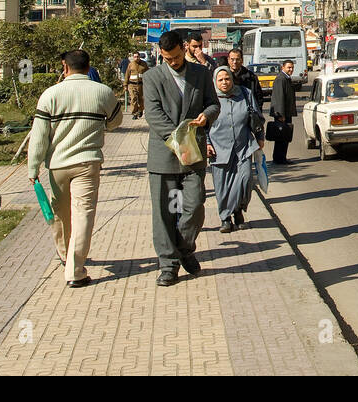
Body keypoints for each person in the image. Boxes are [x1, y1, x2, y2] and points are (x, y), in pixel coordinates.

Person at [27, 49, 122, 289]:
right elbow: (115, 121)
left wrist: (33, 167)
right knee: (83, 215)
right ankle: (75, 270)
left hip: (57, 165)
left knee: (60, 213)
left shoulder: (50, 94)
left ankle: (64, 254)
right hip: (87, 163)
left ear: (64, 67)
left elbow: (39, 136)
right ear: (89, 67)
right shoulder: (103, 92)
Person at [143, 29, 220, 287]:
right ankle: (168, 264)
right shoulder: (152, 77)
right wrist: (179, 139)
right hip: (164, 154)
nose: (173, 62)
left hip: (193, 156)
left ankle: (185, 247)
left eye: (175, 57)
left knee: (195, 206)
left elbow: (213, 104)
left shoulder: (201, 74)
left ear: (184, 48)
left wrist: (206, 116)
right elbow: (153, 115)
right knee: (164, 213)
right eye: (167, 59)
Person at [207, 66, 264, 234]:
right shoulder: (210, 99)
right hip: (219, 149)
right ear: (215, 82)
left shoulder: (245, 94)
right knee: (222, 186)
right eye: (220, 80)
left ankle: (239, 210)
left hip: (243, 146)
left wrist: (260, 137)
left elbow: (257, 117)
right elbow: (203, 125)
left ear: (232, 79)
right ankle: (225, 218)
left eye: (227, 79)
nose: (224, 82)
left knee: (246, 180)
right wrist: (207, 143)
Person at [269, 58, 298, 165]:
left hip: (286, 113)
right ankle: (279, 158)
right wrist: (281, 115)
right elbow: (279, 97)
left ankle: (282, 157)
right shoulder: (281, 79)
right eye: (288, 67)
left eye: (292, 67)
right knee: (281, 137)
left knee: (285, 136)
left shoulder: (286, 78)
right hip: (282, 114)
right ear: (283, 68)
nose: (290, 69)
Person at [125, 52, 148, 119]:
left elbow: (148, 73)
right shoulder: (131, 64)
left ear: (139, 56)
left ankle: (140, 110)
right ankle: (134, 113)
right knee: (133, 99)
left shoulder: (144, 64)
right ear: (133, 57)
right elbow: (127, 75)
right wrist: (125, 85)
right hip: (132, 85)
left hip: (141, 85)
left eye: (137, 56)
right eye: (135, 57)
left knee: (141, 99)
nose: (136, 58)